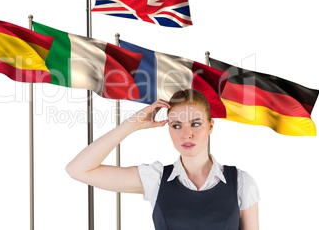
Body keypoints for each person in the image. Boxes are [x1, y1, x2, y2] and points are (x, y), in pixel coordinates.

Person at [66, 89, 260, 229]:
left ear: (210, 126)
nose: (187, 134)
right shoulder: (156, 179)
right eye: (176, 125)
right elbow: (78, 169)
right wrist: (132, 124)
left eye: (195, 124)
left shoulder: (241, 183)